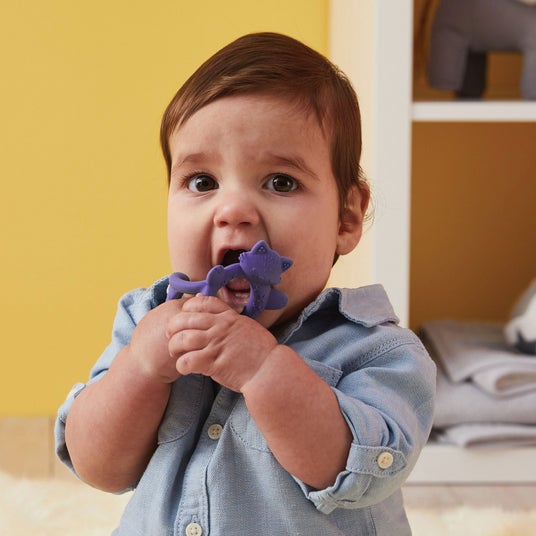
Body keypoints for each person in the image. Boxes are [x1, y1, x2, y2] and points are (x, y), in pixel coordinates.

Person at [55, 32, 436, 535]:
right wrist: (141, 367)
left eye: (281, 182)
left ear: (345, 218)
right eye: (202, 182)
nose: (232, 210)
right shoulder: (146, 321)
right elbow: (98, 467)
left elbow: (354, 473)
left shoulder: (376, 351)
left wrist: (262, 370)